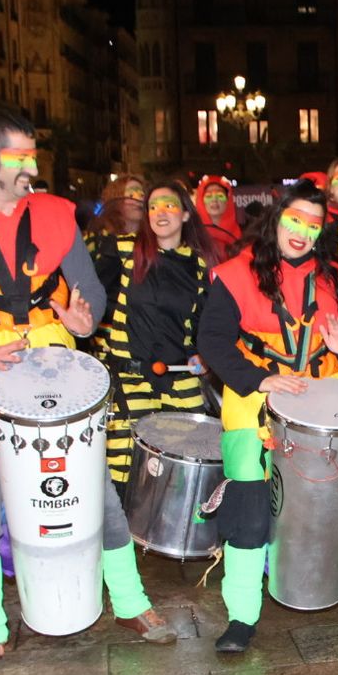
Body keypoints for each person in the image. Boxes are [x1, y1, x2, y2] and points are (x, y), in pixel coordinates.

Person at [0, 111, 176, 675]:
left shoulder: (53, 214)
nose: (31, 167)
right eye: (20, 157)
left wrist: (82, 316)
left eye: (33, 156)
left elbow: (89, 289)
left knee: (101, 497)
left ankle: (130, 604)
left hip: (59, 378)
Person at [197, 179, 338, 651]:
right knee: (249, 512)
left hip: (329, 406)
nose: (302, 231)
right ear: (276, 220)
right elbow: (212, 342)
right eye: (294, 220)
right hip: (255, 405)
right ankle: (242, 617)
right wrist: (260, 379)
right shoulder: (235, 274)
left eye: (313, 224)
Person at [93, 181, 211, 486]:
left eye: (169, 204)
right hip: (130, 379)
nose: (160, 211)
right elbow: (93, 304)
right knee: (125, 468)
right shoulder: (121, 250)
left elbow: (202, 325)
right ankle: (123, 534)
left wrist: (203, 355)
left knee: (183, 470)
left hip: (180, 378)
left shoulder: (199, 266)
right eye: (153, 206)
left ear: (185, 214)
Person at [193, 175, 241, 264]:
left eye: (220, 195)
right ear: (201, 200)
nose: (214, 200)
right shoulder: (192, 233)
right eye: (208, 196)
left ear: (228, 200)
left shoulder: (241, 235)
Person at [88, 176, 147, 244]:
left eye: (142, 195)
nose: (140, 199)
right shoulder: (99, 241)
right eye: (131, 196)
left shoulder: (153, 238)